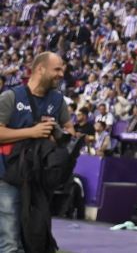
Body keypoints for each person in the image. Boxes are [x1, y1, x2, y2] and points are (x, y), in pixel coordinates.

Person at [0, 52, 75, 251]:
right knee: (9, 240)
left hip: (37, 179)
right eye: (57, 69)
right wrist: (32, 132)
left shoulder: (58, 101)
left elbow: (70, 131)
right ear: (40, 69)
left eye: (62, 70)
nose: (61, 74)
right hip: (7, 176)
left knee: (34, 238)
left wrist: (56, 133)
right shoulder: (12, 97)